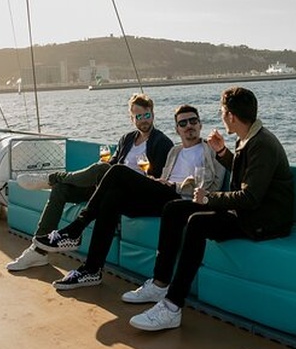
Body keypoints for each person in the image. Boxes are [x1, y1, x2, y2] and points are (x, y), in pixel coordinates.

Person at [126, 86, 294, 332]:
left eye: (222, 111)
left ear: (231, 116)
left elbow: (250, 197)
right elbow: (245, 171)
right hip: (247, 211)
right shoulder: (248, 137)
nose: (221, 115)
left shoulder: (262, 144)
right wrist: (223, 153)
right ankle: (160, 283)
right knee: (174, 209)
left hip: (263, 220)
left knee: (197, 223)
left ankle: (172, 307)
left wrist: (209, 199)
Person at [39, 104, 227, 289]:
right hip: (163, 195)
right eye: (183, 123)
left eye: (193, 121)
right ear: (177, 129)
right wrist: (157, 181)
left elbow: (212, 186)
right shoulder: (175, 151)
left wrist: (176, 185)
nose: (189, 126)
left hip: (181, 200)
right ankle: (91, 270)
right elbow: (163, 179)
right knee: (112, 198)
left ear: (200, 124)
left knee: (118, 171)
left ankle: (75, 229)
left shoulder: (211, 151)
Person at [5, 93, 173, 271]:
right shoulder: (127, 139)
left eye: (147, 115)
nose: (143, 120)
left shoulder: (162, 142)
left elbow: (160, 180)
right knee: (62, 189)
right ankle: (38, 252)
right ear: (132, 119)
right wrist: (104, 167)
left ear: (153, 114)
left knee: (103, 170)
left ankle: (52, 178)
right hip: (109, 186)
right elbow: (113, 163)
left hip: (133, 193)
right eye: (138, 116)